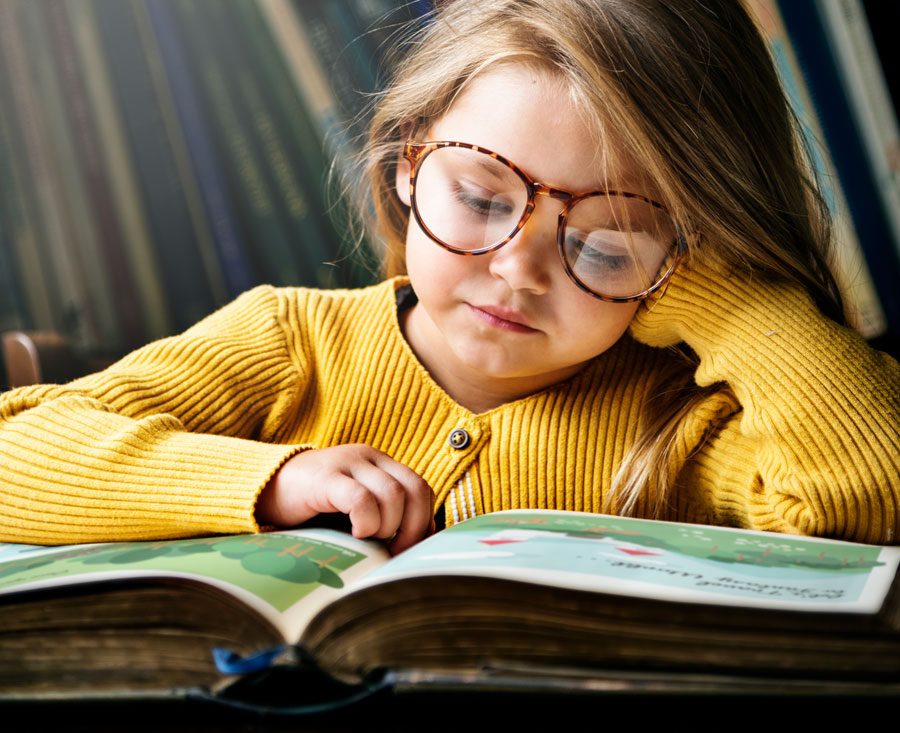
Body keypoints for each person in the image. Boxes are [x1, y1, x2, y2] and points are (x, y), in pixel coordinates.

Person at [1, 0, 898, 552]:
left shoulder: (681, 421)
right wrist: (271, 483)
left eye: (607, 247)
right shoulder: (289, 340)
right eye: (478, 197)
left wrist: (729, 298)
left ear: (687, 259)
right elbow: (15, 454)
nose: (518, 269)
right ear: (407, 161)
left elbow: (866, 506)